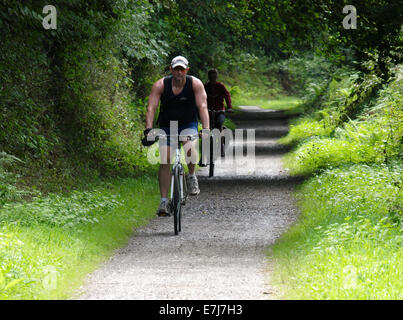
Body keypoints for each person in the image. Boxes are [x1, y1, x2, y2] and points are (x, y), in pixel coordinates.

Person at [142, 56, 209, 216]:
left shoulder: (195, 84)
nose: (179, 72)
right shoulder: (160, 85)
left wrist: (206, 129)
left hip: (188, 124)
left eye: (182, 69)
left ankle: (191, 176)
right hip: (167, 125)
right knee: (165, 159)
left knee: (189, 146)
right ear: (171, 70)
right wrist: (148, 129)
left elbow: (202, 106)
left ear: (187, 70)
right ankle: (164, 201)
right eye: (176, 69)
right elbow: (151, 107)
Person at [204, 69, 233, 156]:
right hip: (208, 111)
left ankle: (222, 144)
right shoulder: (205, 86)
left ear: (216, 77)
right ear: (208, 77)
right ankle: (205, 150)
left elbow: (227, 95)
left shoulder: (220, 86)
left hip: (219, 111)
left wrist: (229, 107)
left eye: (214, 77)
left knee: (219, 123)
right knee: (206, 128)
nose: (213, 78)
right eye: (211, 77)